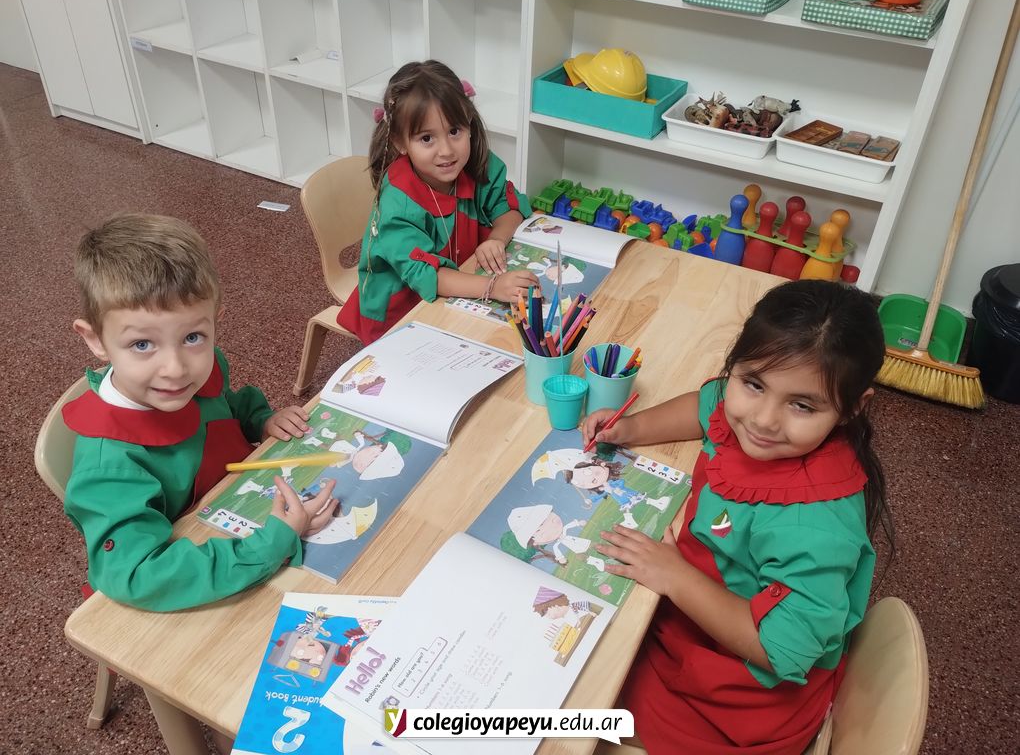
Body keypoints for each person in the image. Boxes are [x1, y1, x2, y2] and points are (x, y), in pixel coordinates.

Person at [581, 279, 893, 754]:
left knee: (569, 707)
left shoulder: (814, 525)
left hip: (737, 700)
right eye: (753, 384)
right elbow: (705, 406)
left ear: (853, 406)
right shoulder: (744, 415)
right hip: (692, 626)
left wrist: (674, 576)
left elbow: (782, 649)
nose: (763, 419)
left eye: (802, 405)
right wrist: (631, 428)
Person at [63, 213, 339, 614]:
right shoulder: (109, 467)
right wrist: (272, 543)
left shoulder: (199, 370)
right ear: (96, 340)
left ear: (214, 322)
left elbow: (226, 404)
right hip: (197, 575)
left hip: (240, 511)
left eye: (193, 336)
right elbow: (139, 575)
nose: (176, 369)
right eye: (142, 345)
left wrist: (262, 420)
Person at [338, 59, 540, 344]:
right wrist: (492, 286)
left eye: (454, 131)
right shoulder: (398, 203)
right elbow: (427, 276)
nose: (446, 151)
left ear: (469, 122)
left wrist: (497, 238)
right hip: (402, 312)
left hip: (460, 287)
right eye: (426, 138)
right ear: (399, 142)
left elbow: (509, 207)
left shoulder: (476, 163)